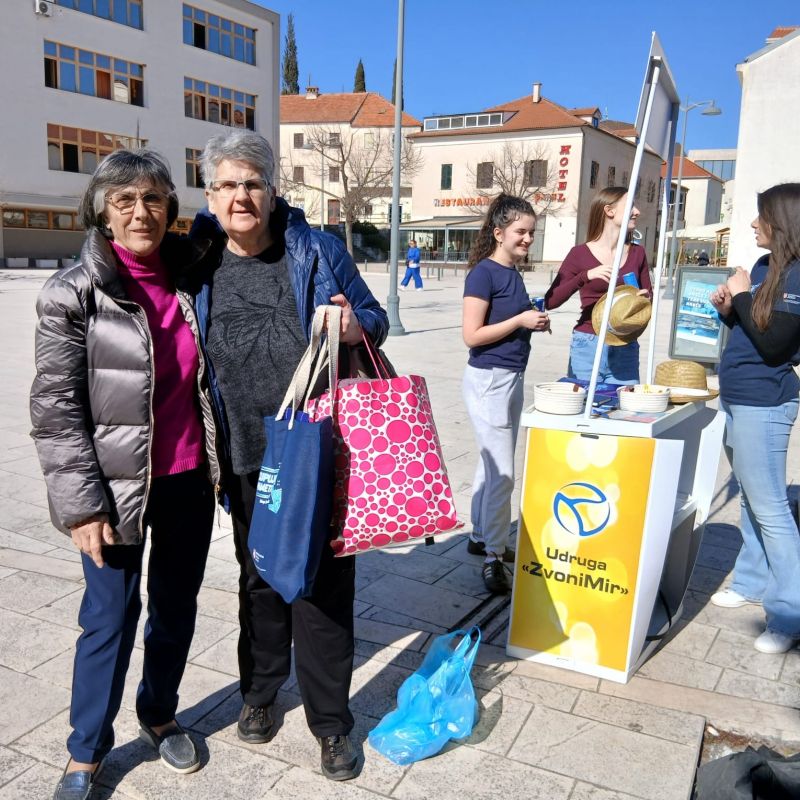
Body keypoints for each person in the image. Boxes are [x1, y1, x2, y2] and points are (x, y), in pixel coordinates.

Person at [190, 130, 389, 781]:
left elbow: (375, 315)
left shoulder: (318, 248)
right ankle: (259, 691)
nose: (241, 195)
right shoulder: (195, 258)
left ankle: (332, 726)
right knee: (260, 581)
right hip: (242, 452)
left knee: (324, 591)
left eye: (253, 182)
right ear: (211, 194)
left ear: (272, 189)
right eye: (228, 184)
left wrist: (358, 324)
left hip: (320, 451)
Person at [30, 150, 219, 800]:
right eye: (125, 200)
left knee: (175, 608)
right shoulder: (71, 292)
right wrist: (80, 505)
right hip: (112, 493)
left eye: (154, 199)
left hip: (189, 480)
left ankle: (159, 710)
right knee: (108, 617)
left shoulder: (194, 276)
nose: (141, 211)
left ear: (171, 209)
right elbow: (55, 408)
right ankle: (85, 753)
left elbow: (261, 218)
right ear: (103, 211)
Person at [708, 183, 800, 654]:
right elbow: (753, 330)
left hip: (766, 403)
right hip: (739, 396)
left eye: (759, 216)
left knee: (772, 510)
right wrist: (730, 310)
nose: (751, 224)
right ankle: (750, 581)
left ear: (781, 223)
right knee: (749, 497)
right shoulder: (767, 268)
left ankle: (788, 614)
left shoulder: (798, 275)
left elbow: (777, 346)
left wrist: (743, 297)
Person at [461, 194, 550, 594]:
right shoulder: (485, 274)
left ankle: (481, 536)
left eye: (531, 231)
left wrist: (531, 322)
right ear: (499, 233)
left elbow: (507, 324)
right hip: (489, 380)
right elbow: (472, 335)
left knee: (491, 463)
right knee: (503, 474)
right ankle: (495, 556)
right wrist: (520, 319)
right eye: (521, 231)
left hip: (508, 378)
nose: (528, 238)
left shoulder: (511, 272)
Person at [544, 187, 652, 384]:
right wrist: (585, 276)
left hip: (625, 345)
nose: (637, 212)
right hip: (587, 345)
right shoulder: (579, 254)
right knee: (584, 407)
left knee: (625, 410)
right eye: (631, 206)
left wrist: (644, 300)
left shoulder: (638, 253)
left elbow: (648, 299)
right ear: (609, 211)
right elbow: (551, 301)